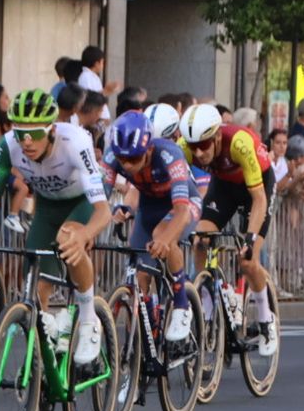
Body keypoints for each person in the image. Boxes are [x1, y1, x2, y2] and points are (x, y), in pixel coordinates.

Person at [0, 89, 109, 360]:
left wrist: (86, 233)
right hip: (47, 206)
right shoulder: (6, 147)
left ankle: (87, 319)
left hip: (80, 202)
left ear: (51, 130)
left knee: (68, 238)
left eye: (34, 133)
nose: (26, 141)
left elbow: (103, 211)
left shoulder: (76, 142)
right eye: (18, 131)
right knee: (35, 290)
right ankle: (45, 359)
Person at [181, 102, 277, 355]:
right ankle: (209, 307)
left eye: (203, 145)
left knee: (248, 260)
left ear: (215, 137)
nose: (199, 153)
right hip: (223, 187)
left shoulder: (239, 143)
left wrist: (250, 239)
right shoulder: (185, 150)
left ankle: (267, 321)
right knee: (200, 239)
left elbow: (258, 199)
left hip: (256, 189)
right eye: (193, 147)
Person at [102, 109, 198, 342]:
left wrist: (165, 240)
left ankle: (181, 305)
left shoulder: (169, 154)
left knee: (163, 235)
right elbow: (97, 201)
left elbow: (182, 211)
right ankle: (149, 325)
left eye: (134, 159)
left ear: (149, 149)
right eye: (122, 159)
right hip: (149, 206)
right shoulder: (113, 157)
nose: (127, 164)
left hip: (183, 205)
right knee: (138, 271)